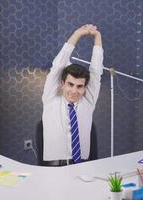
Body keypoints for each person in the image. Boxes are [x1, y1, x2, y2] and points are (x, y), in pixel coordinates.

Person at [41, 24, 103, 166]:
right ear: (62, 84)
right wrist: (77, 34)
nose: (74, 91)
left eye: (79, 86)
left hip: (83, 166)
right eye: (70, 84)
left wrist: (97, 37)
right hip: (54, 167)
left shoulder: (88, 102)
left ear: (85, 88)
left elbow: (96, 70)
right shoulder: (50, 99)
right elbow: (58, 65)